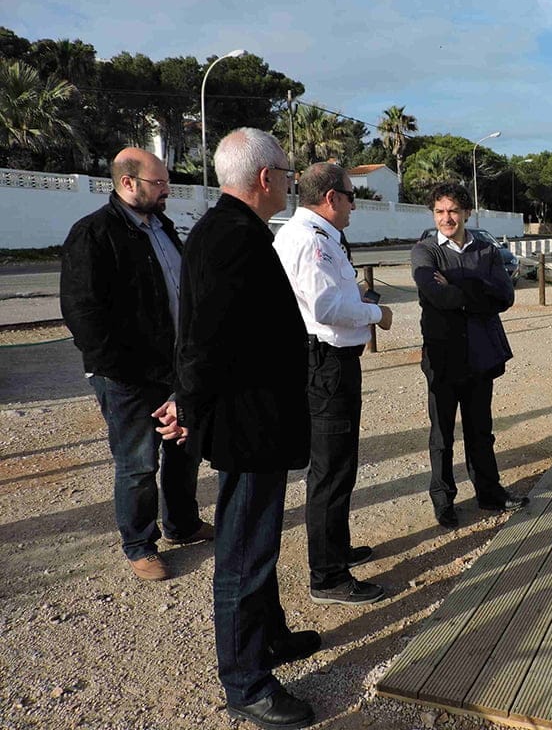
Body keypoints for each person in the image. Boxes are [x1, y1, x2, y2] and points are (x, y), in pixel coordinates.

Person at [161, 128, 318, 729]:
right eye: (285, 170)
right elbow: (205, 341)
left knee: (261, 543)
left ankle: (269, 639)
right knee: (244, 553)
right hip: (248, 426)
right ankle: (247, 683)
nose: (289, 180)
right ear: (264, 178)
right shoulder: (232, 238)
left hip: (258, 421)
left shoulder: (232, 229)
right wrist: (189, 407)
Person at [60, 147, 212, 582]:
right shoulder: (92, 234)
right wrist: (119, 369)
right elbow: (83, 314)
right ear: (128, 183)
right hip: (128, 377)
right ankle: (139, 544)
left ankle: (182, 525)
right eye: (158, 183)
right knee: (138, 462)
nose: (166, 191)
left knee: (184, 451)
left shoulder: (162, 227)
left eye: (166, 183)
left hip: (176, 368)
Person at [273, 162, 393, 606]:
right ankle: (328, 577)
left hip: (328, 362)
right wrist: (377, 314)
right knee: (331, 469)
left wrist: (359, 305)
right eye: (349, 195)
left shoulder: (313, 235)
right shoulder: (310, 240)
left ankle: (336, 550)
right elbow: (325, 307)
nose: (353, 204)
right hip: (326, 365)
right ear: (331, 198)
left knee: (339, 464)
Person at [411, 182, 528, 529]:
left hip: (479, 355)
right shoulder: (425, 252)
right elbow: (435, 295)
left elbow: (504, 296)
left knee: (481, 430)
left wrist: (458, 288)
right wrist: (476, 291)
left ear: (467, 213)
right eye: (440, 211)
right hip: (443, 356)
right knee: (442, 435)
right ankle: (443, 500)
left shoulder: (486, 250)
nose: (447, 218)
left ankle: (489, 493)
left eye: (453, 211)